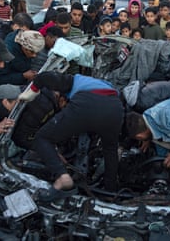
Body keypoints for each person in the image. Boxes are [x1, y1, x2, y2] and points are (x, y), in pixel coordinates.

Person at [18, 72, 123, 200]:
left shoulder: (70, 80)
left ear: (62, 98)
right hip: (115, 108)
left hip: (87, 104)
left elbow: (42, 77)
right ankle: (110, 191)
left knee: (42, 138)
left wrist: (32, 92)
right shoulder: (100, 84)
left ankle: (62, 176)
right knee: (110, 150)